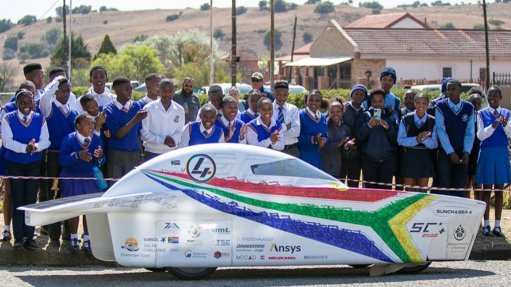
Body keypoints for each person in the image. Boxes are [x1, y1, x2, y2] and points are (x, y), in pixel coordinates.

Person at [1, 89, 50, 250]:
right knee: (17, 199)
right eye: (22, 102)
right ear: (16, 104)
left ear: (33, 103)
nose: (26, 105)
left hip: (33, 165)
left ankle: (30, 237)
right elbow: (7, 142)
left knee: (30, 201)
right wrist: (25, 148)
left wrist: (34, 147)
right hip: (14, 164)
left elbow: (46, 141)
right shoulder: (8, 118)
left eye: (29, 102)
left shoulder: (39, 119)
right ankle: (18, 237)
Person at [39, 76, 79, 247]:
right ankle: (53, 236)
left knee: (68, 194)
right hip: (54, 155)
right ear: (56, 91)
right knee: (53, 195)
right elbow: (44, 97)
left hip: (69, 157)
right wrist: (56, 82)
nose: (66, 93)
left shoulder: (74, 112)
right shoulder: (50, 108)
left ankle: (68, 235)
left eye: (68, 90)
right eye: (62, 90)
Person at [59, 114, 105, 253]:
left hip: (90, 178)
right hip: (72, 178)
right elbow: (62, 159)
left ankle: (87, 238)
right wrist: (77, 155)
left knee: (89, 210)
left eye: (92, 124)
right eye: (87, 124)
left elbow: (102, 160)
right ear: (78, 126)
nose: (91, 126)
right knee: (74, 208)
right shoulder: (69, 139)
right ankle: (73, 237)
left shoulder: (96, 138)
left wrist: (100, 156)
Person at [0, 81, 37, 242]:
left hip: (30, 160)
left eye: (32, 97)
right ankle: (8, 229)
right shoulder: (7, 111)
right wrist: (23, 148)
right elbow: (5, 137)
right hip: (9, 157)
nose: (28, 101)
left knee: (29, 197)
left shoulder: (35, 112)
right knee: (10, 194)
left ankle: (28, 233)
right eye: (25, 96)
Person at [475, 86, 511, 237]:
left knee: (499, 189)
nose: (492, 98)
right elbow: (480, 135)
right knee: (486, 188)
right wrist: (494, 125)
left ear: (500, 96)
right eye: (490, 95)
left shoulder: (507, 113)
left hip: (501, 152)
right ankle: (486, 224)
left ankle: (497, 225)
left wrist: (504, 124)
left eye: (495, 95)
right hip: (487, 153)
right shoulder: (481, 114)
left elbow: (510, 133)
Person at [434, 79, 475, 197]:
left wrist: (467, 151)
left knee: (460, 186)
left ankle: (457, 214)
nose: (451, 92)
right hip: (445, 153)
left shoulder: (469, 107)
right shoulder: (440, 106)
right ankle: (444, 214)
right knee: (445, 185)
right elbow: (441, 131)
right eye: (448, 89)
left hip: (462, 151)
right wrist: (450, 152)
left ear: (460, 90)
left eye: (454, 89)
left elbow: (470, 132)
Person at [105, 77, 147, 179]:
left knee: (132, 186)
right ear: (116, 91)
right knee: (115, 185)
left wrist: (141, 154)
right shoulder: (108, 109)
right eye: (126, 89)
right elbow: (119, 134)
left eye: (131, 88)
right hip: (116, 154)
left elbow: (138, 133)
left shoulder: (136, 106)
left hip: (134, 153)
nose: (130, 91)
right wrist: (135, 119)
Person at [356, 88, 398, 190]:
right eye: (374, 101)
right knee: (370, 191)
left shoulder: (391, 116)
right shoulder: (365, 115)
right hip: (369, 160)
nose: (377, 104)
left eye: (380, 101)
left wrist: (388, 128)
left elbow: (397, 140)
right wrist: (369, 125)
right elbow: (358, 137)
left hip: (388, 160)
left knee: (385, 192)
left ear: (384, 102)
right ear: (371, 102)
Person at [397, 93, 437, 191]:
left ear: (428, 105)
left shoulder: (433, 121)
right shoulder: (406, 119)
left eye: (424, 103)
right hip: (409, 158)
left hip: (425, 159)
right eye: (418, 102)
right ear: (414, 103)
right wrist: (417, 139)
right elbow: (400, 140)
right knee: (409, 191)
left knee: (422, 192)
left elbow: (434, 144)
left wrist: (424, 139)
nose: (421, 105)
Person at [141, 79, 185, 161]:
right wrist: (162, 140)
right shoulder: (148, 108)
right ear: (159, 91)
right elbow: (144, 133)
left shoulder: (179, 109)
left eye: (170, 91)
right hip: (152, 153)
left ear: (174, 92)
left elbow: (180, 131)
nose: (167, 94)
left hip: (172, 153)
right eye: (164, 91)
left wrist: (173, 140)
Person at [341, 84, 368, 187]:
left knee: (354, 183)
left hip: (357, 153)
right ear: (352, 95)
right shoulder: (343, 108)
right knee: (340, 182)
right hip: (341, 151)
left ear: (365, 97)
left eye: (362, 94)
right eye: (356, 93)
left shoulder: (365, 112)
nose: (359, 96)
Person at [297, 90, 327, 168]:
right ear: (306, 101)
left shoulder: (323, 117)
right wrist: (313, 139)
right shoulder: (300, 115)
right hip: (303, 155)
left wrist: (323, 141)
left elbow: (326, 135)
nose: (314, 103)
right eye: (311, 100)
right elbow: (296, 136)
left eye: (317, 101)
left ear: (321, 102)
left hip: (317, 156)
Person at [321, 100, 350, 178]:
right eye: (332, 112)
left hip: (339, 166)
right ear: (328, 112)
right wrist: (339, 143)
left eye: (338, 111)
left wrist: (346, 146)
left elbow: (345, 152)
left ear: (342, 112)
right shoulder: (323, 126)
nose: (335, 114)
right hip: (325, 164)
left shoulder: (346, 128)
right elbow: (324, 145)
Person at [272, 81, 300, 157]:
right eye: (278, 95)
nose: (281, 98)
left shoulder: (293, 109)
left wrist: (277, 135)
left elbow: (296, 132)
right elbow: (269, 131)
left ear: (288, 95)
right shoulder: (269, 109)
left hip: (291, 149)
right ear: (274, 94)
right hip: (274, 150)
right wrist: (286, 127)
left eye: (284, 95)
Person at [466, 91, 483, 199]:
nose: (476, 106)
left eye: (478, 103)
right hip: (467, 154)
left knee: (478, 186)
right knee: (465, 185)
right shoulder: (465, 117)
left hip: (478, 155)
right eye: (473, 103)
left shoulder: (483, 117)